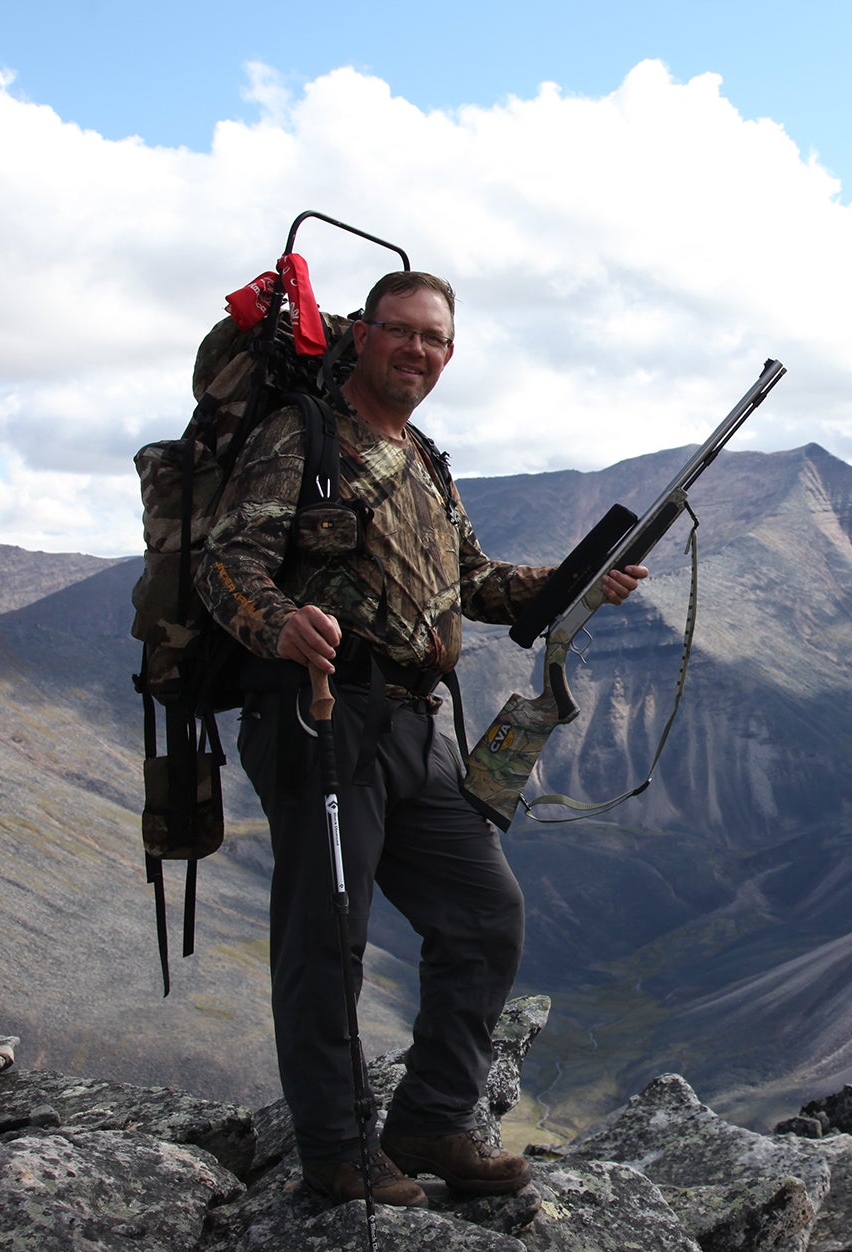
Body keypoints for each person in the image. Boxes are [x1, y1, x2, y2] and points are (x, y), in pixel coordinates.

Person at [197, 270, 645, 1207]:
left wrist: (578, 579)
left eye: (434, 339)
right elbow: (227, 563)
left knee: (484, 915)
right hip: (320, 715)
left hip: (414, 724)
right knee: (328, 939)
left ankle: (433, 1120)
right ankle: (337, 1152)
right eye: (400, 331)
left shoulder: (425, 460)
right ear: (362, 335)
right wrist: (280, 625)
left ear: (450, 353)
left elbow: (475, 583)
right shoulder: (302, 438)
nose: (417, 351)